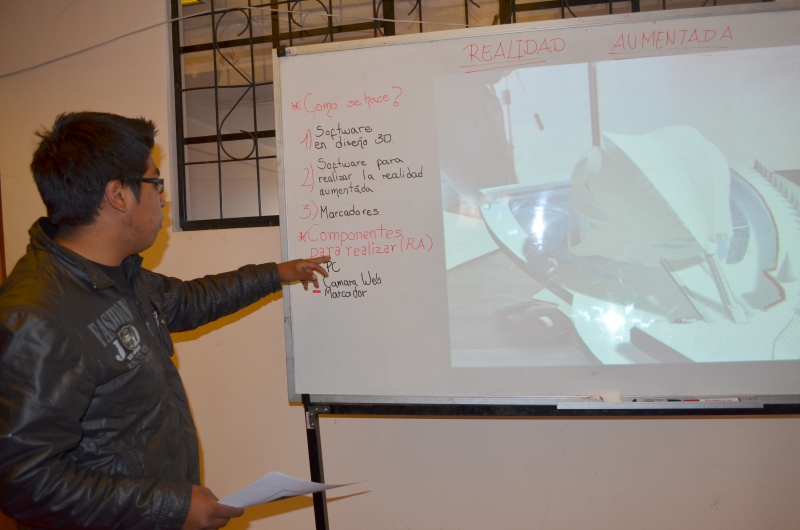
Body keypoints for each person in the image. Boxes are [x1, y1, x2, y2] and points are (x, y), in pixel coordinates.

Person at [0, 112, 329, 530]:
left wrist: (276, 274)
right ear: (118, 195)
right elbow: (26, 483)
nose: (163, 198)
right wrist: (172, 506)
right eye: (155, 183)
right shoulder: (38, 317)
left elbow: (189, 300)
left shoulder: (118, 275)